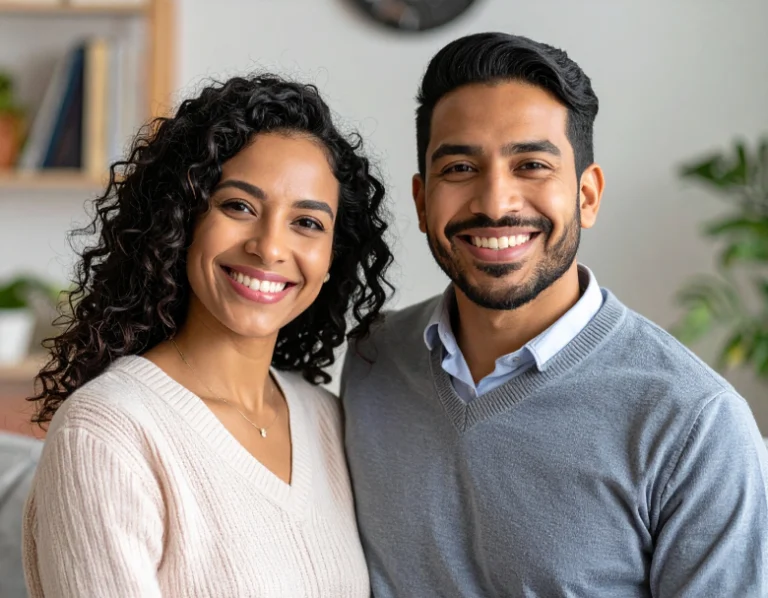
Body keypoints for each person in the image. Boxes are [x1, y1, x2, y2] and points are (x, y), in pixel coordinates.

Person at [341, 32, 768, 597]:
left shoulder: (695, 425)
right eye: (460, 168)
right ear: (422, 202)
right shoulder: (374, 357)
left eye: (532, 165)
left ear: (587, 196)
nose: (495, 203)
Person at [23, 74, 392, 597]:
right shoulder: (108, 431)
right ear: (182, 219)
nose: (269, 248)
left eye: (307, 222)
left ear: (333, 256)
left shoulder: (326, 419)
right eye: (239, 206)